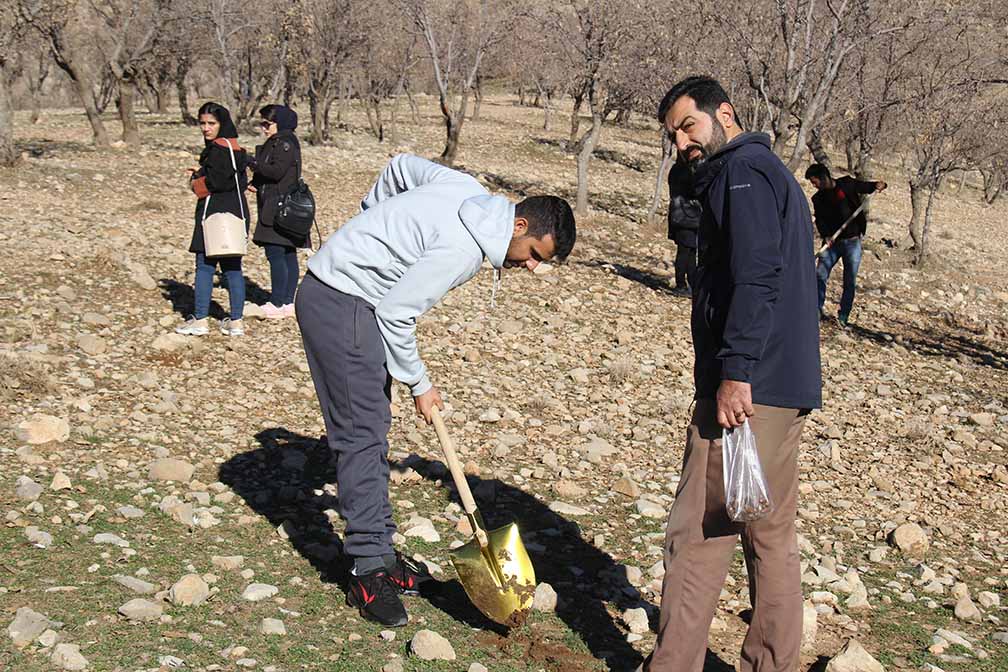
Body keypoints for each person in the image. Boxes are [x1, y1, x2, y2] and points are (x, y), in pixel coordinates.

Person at [296, 154, 576, 627]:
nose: (531, 267)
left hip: (357, 299)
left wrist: (373, 221)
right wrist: (421, 385)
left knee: (372, 428)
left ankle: (381, 553)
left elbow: (400, 167)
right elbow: (396, 316)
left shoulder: (466, 188)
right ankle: (367, 568)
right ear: (520, 223)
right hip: (340, 298)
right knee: (361, 433)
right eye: (533, 254)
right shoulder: (463, 249)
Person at [640, 76, 822, 672]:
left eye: (689, 127)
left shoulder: (741, 173)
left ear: (725, 112)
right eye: (674, 135)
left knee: (698, 533)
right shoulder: (771, 174)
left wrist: (735, 372)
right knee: (769, 536)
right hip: (784, 388)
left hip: (747, 394)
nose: (682, 143)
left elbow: (756, 277)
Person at [177, 102, 250, 337]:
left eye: (211, 123)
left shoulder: (218, 149)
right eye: (202, 123)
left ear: (222, 124)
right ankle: (236, 321)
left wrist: (195, 182)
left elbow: (216, 183)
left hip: (214, 213)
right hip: (236, 212)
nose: (206, 128)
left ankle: (199, 319)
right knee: (233, 268)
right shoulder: (235, 147)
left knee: (205, 266)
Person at [805, 163, 887, 326]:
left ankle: (843, 316)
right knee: (820, 275)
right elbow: (820, 220)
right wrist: (826, 235)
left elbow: (866, 186)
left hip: (852, 242)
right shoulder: (818, 199)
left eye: (815, 182)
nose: (814, 186)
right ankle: (816, 310)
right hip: (831, 244)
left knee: (849, 280)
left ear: (824, 177)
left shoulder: (847, 184)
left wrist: (878, 185)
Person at [250, 104, 304, 318]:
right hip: (285, 205)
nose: (263, 128)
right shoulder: (287, 141)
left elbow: (276, 172)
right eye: (261, 123)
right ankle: (288, 302)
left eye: (267, 124)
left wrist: (252, 163)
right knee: (288, 253)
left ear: (279, 123)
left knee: (276, 254)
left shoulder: (283, 143)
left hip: (277, 207)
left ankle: (277, 302)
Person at [667, 152, 701, 294]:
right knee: (686, 252)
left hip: (680, 215)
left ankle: (690, 284)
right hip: (687, 216)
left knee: (689, 251)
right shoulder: (686, 171)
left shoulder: (675, 170)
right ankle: (682, 284)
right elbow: (694, 190)